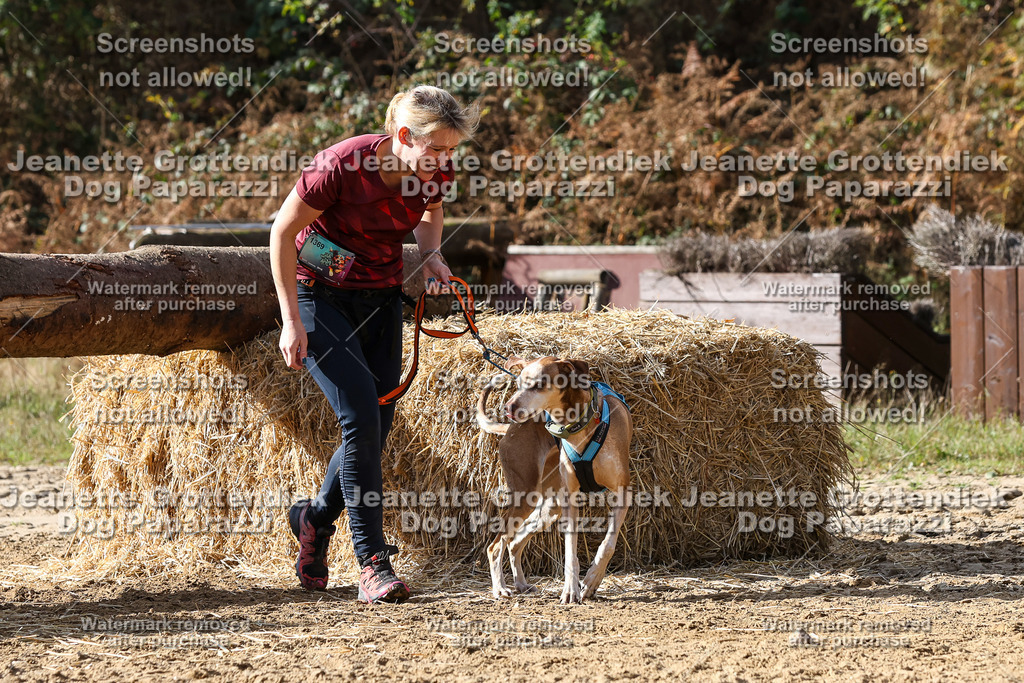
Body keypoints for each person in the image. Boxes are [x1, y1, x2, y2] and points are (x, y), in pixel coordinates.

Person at [269, 85, 479, 603]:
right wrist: (290, 321)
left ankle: (313, 519)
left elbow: (431, 214)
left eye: (451, 151)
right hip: (319, 294)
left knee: (377, 421)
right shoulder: (340, 166)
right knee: (360, 415)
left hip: (380, 295)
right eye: (436, 150)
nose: (444, 162)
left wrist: (430, 256)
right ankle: (372, 561)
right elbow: (279, 234)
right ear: (403, 136)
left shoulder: (433, 169)